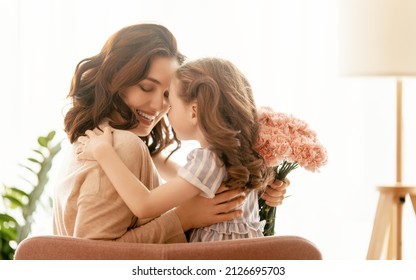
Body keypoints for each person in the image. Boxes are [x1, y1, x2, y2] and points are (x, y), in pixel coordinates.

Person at [53, 23, 288, 244]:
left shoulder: (91, 143)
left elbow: (192, 181)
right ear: (116, 78)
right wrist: (183, 218)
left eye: (168, 95)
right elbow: (94, 259)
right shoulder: (118, 146)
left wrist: (258, 187)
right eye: (146, 87)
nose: (159, 107)